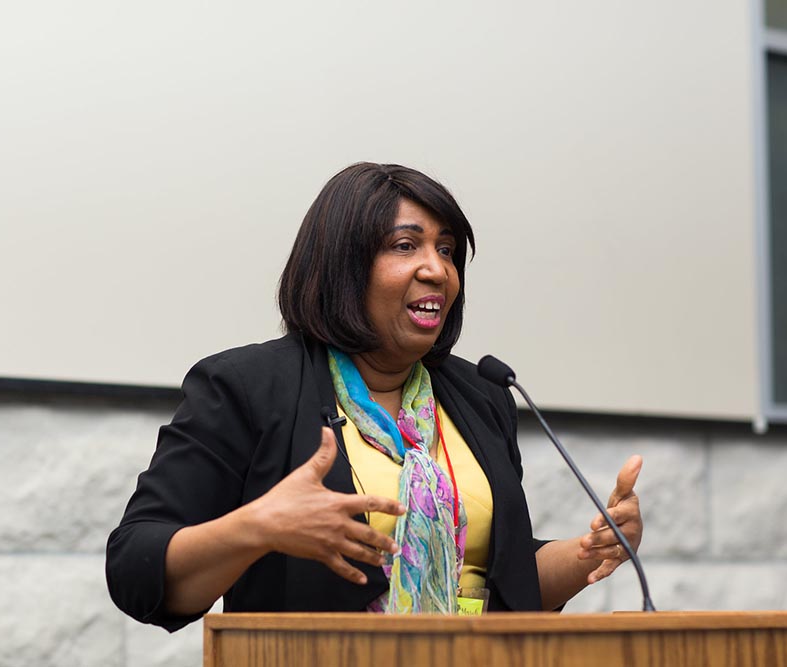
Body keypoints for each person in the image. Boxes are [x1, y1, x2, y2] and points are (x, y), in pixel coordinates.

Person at [106, 162, 643, 631]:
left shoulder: (481, 396)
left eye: (447, 250)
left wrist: (588, 553)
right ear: (343, 266)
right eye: (405, 246)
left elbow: (504, 587)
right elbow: (135, 566)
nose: (437, 270)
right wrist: (257, 527)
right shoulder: (248, 387)